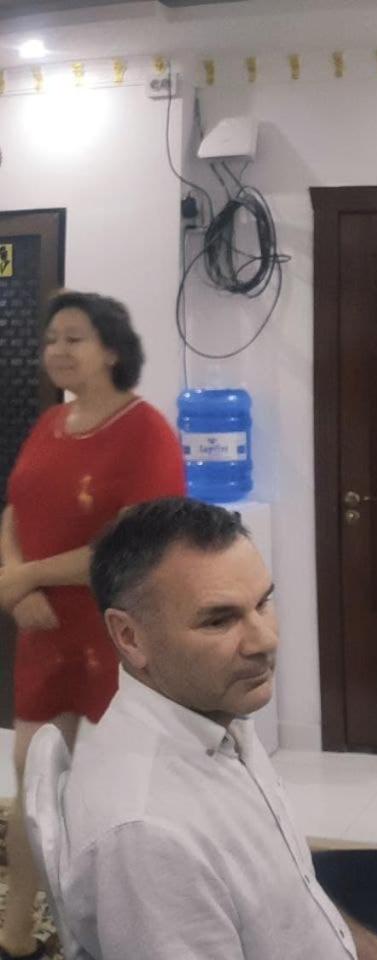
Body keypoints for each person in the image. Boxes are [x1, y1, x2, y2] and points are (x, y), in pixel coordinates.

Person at [61, 497, 377, 959]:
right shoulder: (148, 838)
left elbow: (296, 894)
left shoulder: (213, 710)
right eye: (219, 620)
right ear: (129, 636)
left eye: (263, 602)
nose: (265, 640)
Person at [0, 291, 186, 960]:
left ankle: (126, 933)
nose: (57, 350)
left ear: (110, 349)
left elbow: (131, 545)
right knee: (33, 784)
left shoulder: (146, 430)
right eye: (51, 338)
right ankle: (16, 932)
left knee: (115, 796)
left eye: (73, 338)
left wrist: (25, 576)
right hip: (46, 630)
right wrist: (15, 582)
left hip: (118, 632)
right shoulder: (50, 422)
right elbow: (14, 510)